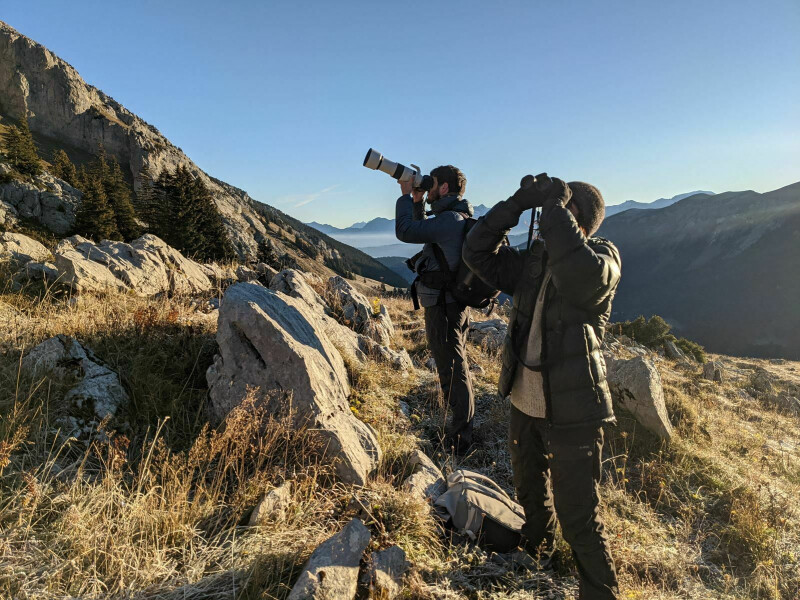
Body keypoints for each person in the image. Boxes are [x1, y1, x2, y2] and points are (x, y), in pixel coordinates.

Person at [463, 177, 621, 599]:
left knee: (579, 517)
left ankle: (600, 591)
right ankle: (537, 548)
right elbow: (476, 250)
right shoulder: (535, 261)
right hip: (525, 398)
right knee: (529, 487)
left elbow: (582, 276)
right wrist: (518, 203)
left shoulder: (604, 259)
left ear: (578, 222)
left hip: (575, 409)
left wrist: (554, 209)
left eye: (559, 214)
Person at [395, 165, 475, 453]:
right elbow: (421, 232)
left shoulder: (450, 219)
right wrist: (418, 202)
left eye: (432, 184)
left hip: (444, 305)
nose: (428, 187)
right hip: (452, 303)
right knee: (454, 365)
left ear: (443, 188)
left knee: (452, 369)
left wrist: (406, 196)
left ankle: (459, 440)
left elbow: (405, 232)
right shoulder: (453, 217)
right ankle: (459, 427)